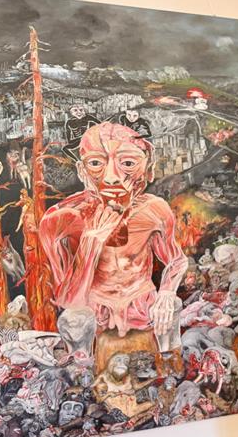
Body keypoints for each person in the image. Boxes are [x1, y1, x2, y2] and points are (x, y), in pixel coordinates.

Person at [40, 122, 188, 372]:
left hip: (141, 303)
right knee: (74, 320)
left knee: (171, 306)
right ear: (82, 171)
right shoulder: (60, 219)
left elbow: (177, 259)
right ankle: (80, 373)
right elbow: (68, 300)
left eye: (128, 163)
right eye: (96, 163)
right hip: (96, 310)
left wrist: (166, 292)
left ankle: (169, 370)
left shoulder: (154, 209)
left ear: (148, 170)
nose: (111, 177)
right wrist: (90, 245)